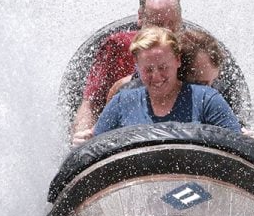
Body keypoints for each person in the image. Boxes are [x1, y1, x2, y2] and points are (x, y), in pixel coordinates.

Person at [75, 27, 240, 144]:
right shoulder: (121, 103)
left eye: (163, 67)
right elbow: (94, 149)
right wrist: (84, 144)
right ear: (138, 66)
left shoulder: (207, 100)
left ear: (177, 60)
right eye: (148, 69)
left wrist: (244, 140)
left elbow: (238, 146)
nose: (156, 76)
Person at [70, 0, 183, 135]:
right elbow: (90, 104)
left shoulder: (194, 51)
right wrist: (81, 141)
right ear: (141, 17)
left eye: (172, 24)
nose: (166, 32)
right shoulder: (118, 47)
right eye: (157, 24)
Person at [105, 30, 254, 136]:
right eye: (200, 83)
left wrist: (244, 139)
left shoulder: (215, 96)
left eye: (212, 82)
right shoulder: (127, 97)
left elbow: (238, 136)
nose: (208, 89)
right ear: (177, 68)